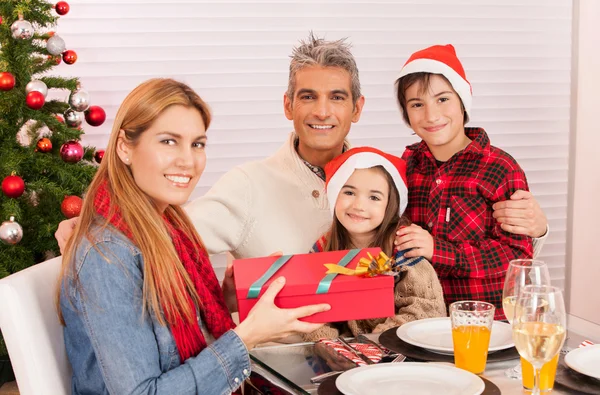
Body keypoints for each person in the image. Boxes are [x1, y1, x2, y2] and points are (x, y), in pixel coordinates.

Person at [55, 34, 548, 264]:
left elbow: (464, 222)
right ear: (288, 105)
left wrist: (536, 225)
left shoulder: (390, 177)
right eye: (307, 97)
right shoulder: (250, 185)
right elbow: (170, 227)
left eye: (337, 97)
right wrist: (97, 226)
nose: (322, 111)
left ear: (357, 108)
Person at [57, 78, 331, 394]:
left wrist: (226, 296)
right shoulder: (109, 254)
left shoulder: (169, 228)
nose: (188, 160)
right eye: (168, 141)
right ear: (124, 147)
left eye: (197, 144)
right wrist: (246, 337)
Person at [393, 44, 534, 319]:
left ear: (462, 101)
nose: (431, 115)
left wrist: (439, 251)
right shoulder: (407, 166)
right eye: (417, 105)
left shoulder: (500, 167)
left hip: (489, 324)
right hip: (422, 320)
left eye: (442, 99)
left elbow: (515, 258)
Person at [303, 147, 446, 342]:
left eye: (374, 197)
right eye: (349, 192)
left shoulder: (403, 247)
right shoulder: (323, 249)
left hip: (401, 353)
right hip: (348, 354)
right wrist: (327, 343)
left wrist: (376, 341)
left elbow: (425, 308)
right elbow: (311, 308)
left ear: (390, 206)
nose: (359, 206)